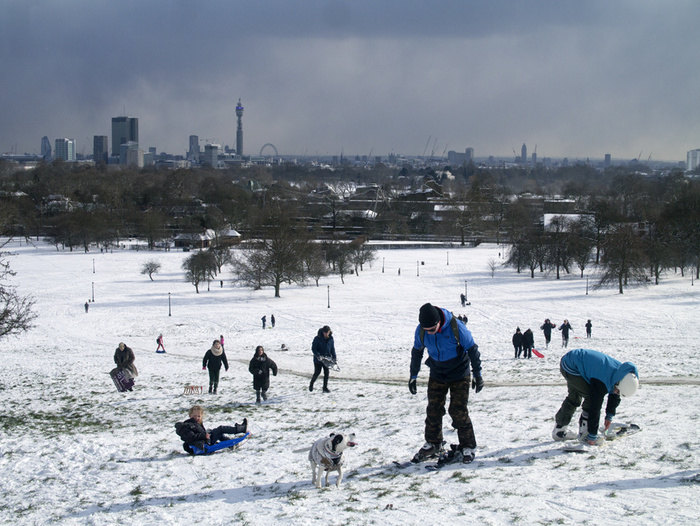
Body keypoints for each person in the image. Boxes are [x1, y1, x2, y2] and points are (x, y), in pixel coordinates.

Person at [409, 303, 483, 464]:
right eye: (426, 329)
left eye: (432, 329)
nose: (429, 332)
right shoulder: (421, 330)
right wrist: (413, 375)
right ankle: (433, 443)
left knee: (458, 410)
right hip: (437, 372)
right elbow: (417, 352)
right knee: (433, 409)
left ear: (439, 322)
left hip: (459, 372)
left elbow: (472, 349)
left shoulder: (457, 327)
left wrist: (478, 374)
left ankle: (468, 445)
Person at [552, 349, 639, 445]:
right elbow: (595, 406)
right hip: (571, 366)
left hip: (572, 360)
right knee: (590, 397)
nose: (616, 393)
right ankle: (586, 435)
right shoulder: (602, 380)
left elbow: (614, 394)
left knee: (574, 397)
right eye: (618, 391)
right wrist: (593, 434)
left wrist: (609, 416)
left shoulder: (621, 373)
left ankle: (559, 431)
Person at [175, 405, 247, 455]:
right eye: (194, 416)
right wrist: (204, 435)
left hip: (203, 442)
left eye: (199, 416)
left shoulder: (195, 423)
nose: (197, 418)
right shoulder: (188, 425)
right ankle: (240, 429)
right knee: (220, 429)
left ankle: (231, 444)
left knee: (215, 432)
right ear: (190, 415)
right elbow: (191, 437)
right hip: (203, 445)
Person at [310, 325, 336, 393]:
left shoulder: (331, 338)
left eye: (328, 332)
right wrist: (318, 355)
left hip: (327, 359)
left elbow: (332, 348)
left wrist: (334, 357)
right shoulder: (317, 338)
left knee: (326, 373)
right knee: (317, 373)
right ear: (323, 332)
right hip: (318, 360)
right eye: (326, 333)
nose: (327, 334)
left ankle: (325, 388)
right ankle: (311, 383)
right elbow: (314, 348)